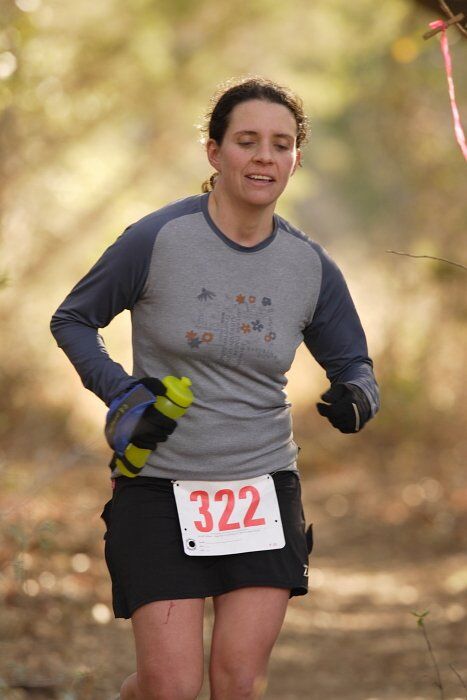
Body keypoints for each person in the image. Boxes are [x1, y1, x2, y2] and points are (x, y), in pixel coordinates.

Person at [50, 76, 379, 700]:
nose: (264, 156)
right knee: (168, 688)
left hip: (260, 487)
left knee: (236, 680)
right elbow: (73, 319)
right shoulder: (157, 239)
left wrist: (358, 396)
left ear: (296, 160)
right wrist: (123, 395)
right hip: (158, 485)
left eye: (280, 144)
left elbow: (355, 366)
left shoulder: (309, 266)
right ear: (214, 152)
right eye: (247, 141)